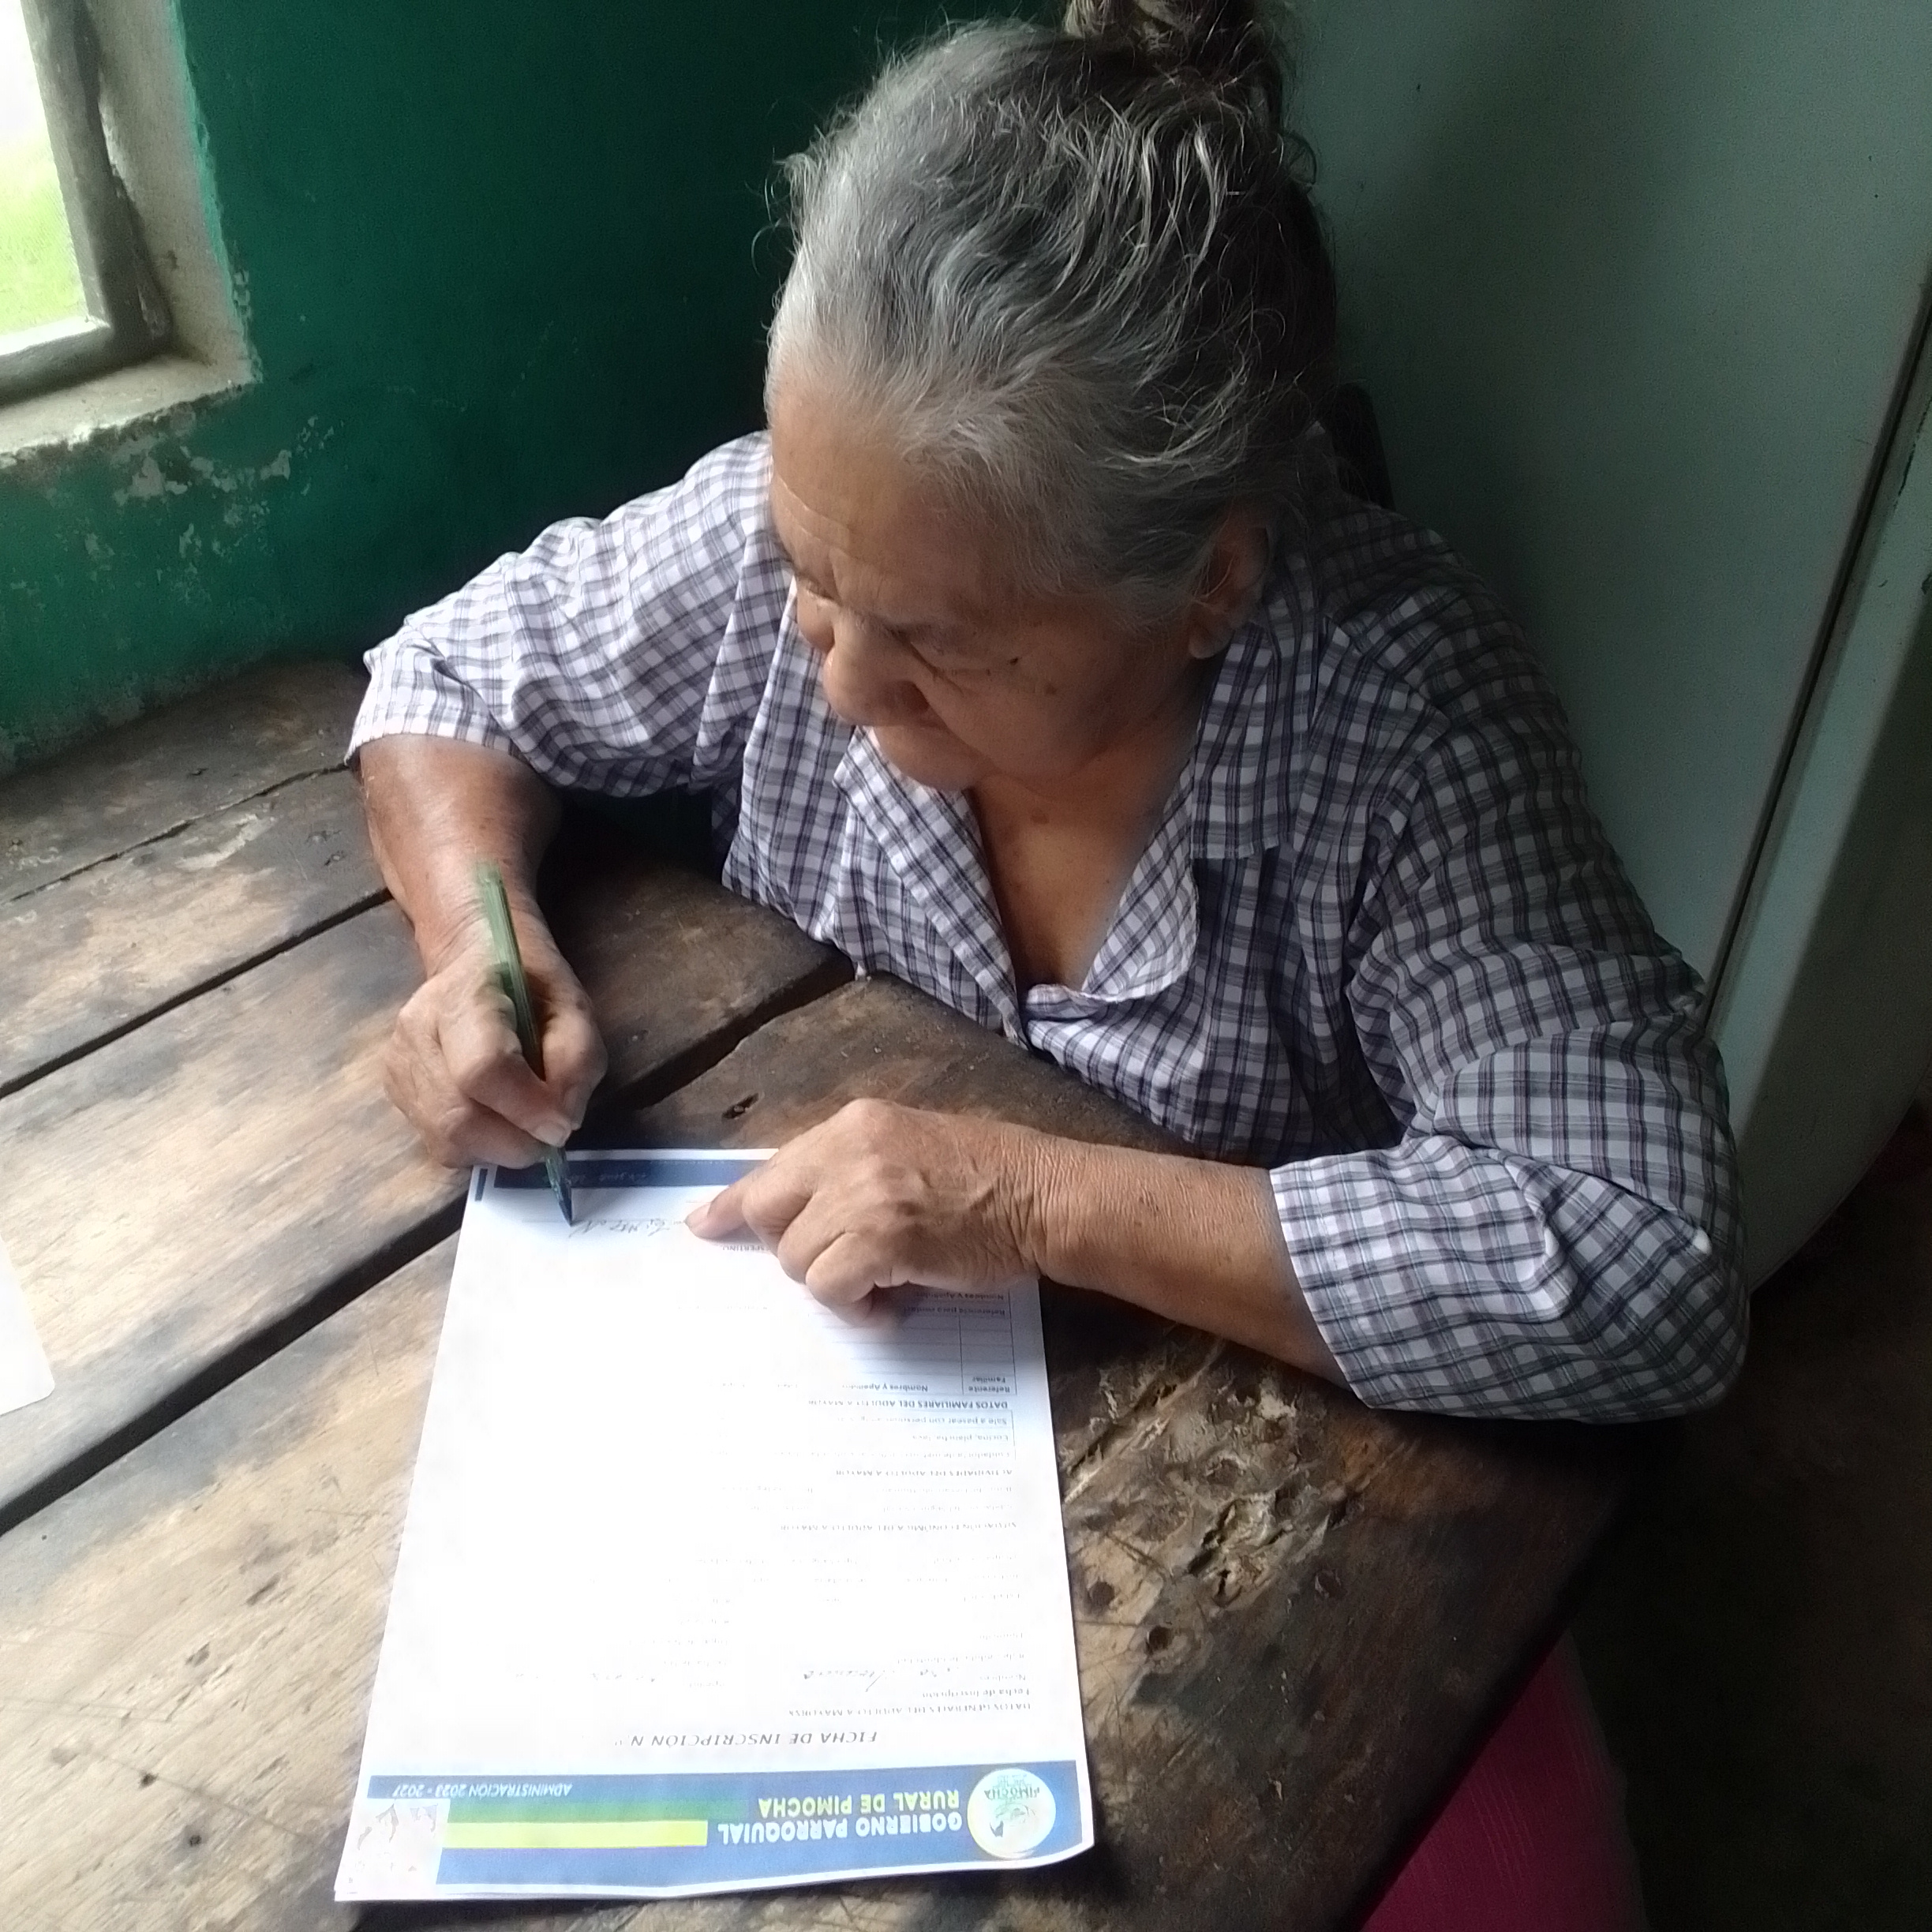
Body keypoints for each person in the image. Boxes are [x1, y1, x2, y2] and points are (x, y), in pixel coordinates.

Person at [350, 2, 1745, 1923]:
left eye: (938, 639)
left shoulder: (1405, 719)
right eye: (811, 574)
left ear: (1210, 586)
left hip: (1263, 1495)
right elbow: (451, 673)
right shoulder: (805, 548)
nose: (840, 679)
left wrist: (1033, 1197)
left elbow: (1645, 1259)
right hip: (802, 1495)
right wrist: (478, 937)